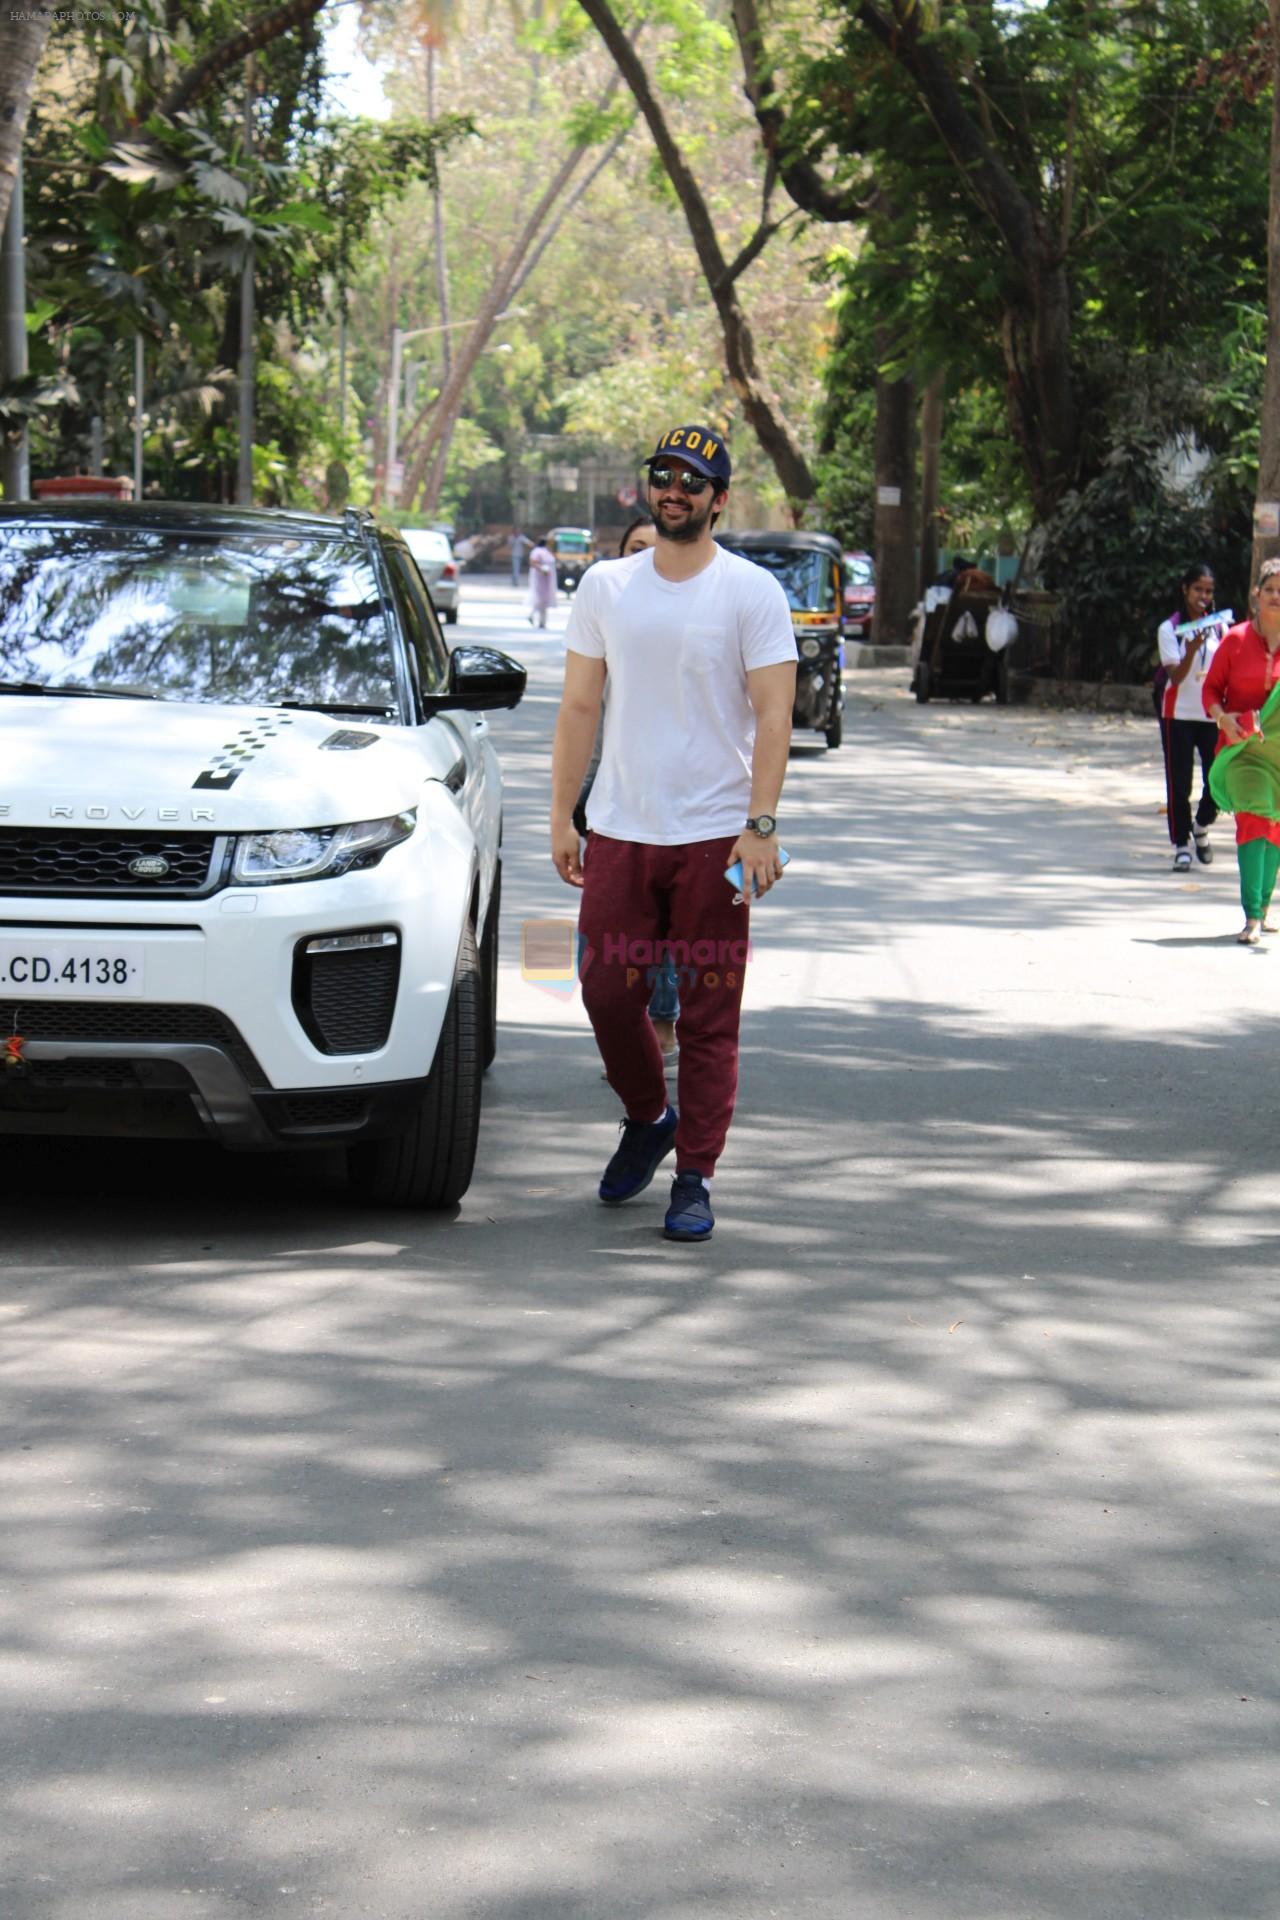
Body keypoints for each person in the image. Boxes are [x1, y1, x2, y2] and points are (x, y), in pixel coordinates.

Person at [549, 423, 797, 1242]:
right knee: (600, 990)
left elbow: (774, 715)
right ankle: (649, 1115)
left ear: (718, 500)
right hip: (621, 828)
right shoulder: (606, 589)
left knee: (708, 1012)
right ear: (647, 489)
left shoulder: (751, 592)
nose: (675, 490)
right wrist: (561, 814)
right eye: (663, 475)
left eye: (692, 480)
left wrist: (760, 827)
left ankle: (695, 1175)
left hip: (717, 839)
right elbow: (580, 706)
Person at [574, 515, 680, 1072]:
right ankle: (626, 1023)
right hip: (608, 793)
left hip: (686, 807)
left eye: (653, 546)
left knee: (666, 933)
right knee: (603, 942)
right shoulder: (607, 614)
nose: (646, 556)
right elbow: (581, 714)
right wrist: (570, 804)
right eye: (634, 548)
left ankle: (661, 1021)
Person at [1202, 557, 1280, 944]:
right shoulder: (1234, 640)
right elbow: (1210, 691)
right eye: (1269, 589)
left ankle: (1264, 911)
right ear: (1256, 594)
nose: (1276, 596)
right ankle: (1251, 916)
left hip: (1279, 754)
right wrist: (1222, 718)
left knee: (1275, 825)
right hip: (1243, 750)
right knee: (1252, 818)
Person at [1157, 563, 1221, 871]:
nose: (1203, 597)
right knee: (1179, 781)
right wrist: (1192, 648)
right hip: (1178, 714)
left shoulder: (1220, 626)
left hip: (1213, 715)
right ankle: (1181, 844)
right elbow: (1176, 677)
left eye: (1208, 591)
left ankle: (1202, 824)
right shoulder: (1169, 629)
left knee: (1219, 779)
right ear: (1185, 590)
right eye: (1198, 589)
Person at [526, 534, 556, 628]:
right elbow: (533, 563)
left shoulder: (547, 552)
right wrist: (542, 570)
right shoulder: (536, 552)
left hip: (547, 580)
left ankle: (542, 622)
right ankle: (534, 617)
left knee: (545, 600)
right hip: (539, 579)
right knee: (539, 599)